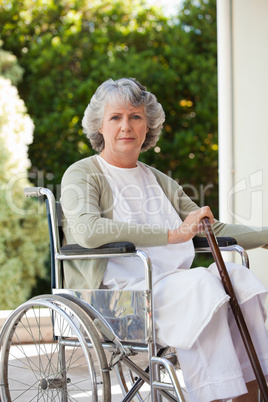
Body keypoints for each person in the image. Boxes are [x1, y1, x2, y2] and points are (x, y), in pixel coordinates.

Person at [61, 77, 268, 402]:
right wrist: (172, 234)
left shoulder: (158, 179)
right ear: (100, 126)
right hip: (119, 298)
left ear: (148, 127)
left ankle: (252, 396)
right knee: (200, 286)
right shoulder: (83, 173)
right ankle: (214, 395)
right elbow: (88, 230)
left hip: (170, 286)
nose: (126, 126)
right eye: (116, 117)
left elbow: (206, 227)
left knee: (237, 277)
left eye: (135, 117)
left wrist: (265, 236)